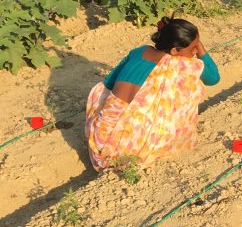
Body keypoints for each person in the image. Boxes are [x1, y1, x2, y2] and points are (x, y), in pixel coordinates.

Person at [85, 18, 221, 172]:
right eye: (193, 48)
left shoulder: (139, 51)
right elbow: (213, 78)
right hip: (128, 149)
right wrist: (201, 48)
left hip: (99, 138)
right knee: (175, 106)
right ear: (175, 50)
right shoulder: (184, 65)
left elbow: (109, 83)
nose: (195, 51)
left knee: (103, 92)